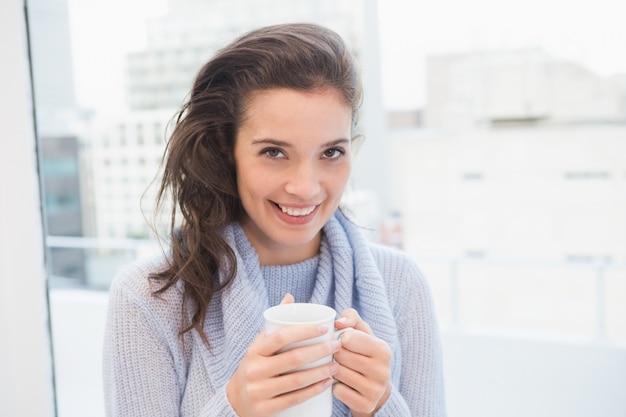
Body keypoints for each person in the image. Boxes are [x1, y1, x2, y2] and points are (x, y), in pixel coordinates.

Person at [103, 22, 446, 417]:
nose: (305, 187)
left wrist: (382, 406)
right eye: (274, 152)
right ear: (225, 152)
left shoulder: (400, 285)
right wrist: (234, 409)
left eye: (331, 152)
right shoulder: (150, 299)